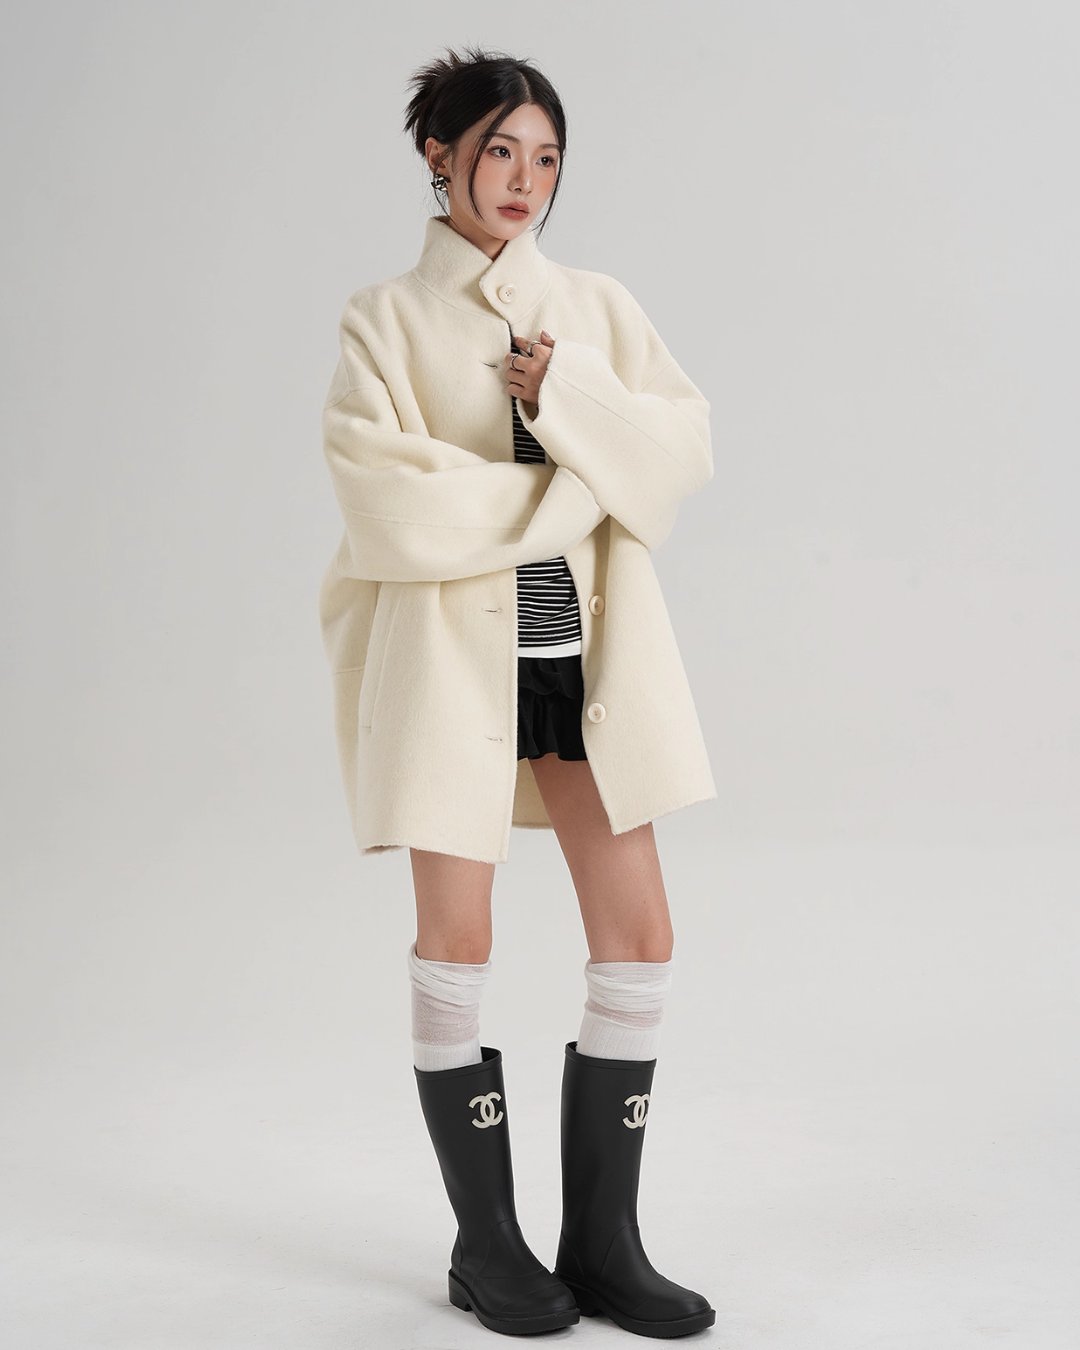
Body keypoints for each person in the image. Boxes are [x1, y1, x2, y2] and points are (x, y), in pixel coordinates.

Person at [318, 44, 717, 1339]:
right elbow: (391, 509)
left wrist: (572, 396)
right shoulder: (383, 321)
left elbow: (679, 454)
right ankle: (485, 1245)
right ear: (440, 155)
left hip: (586, 668)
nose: (524, 179)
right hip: (449, 672)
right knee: (458, 943)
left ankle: (603, 1246)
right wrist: (576, 488)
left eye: (546, 157)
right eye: (500, 150)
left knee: (640, 939)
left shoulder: (595, 308)